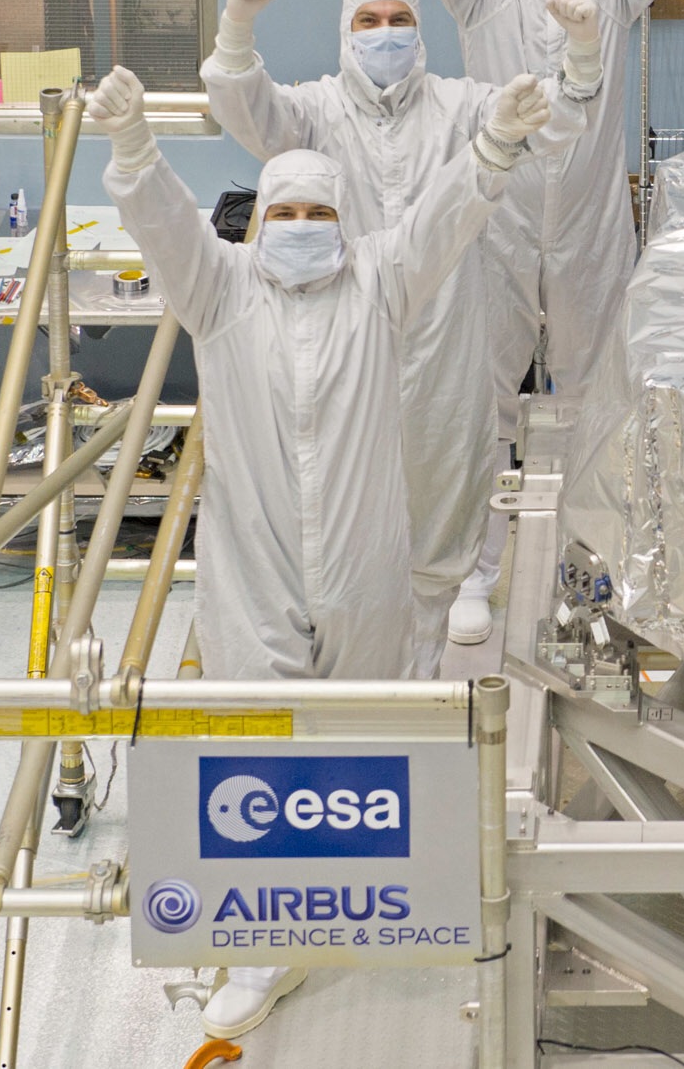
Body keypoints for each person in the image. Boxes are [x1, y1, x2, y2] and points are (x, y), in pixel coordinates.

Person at [90, 63, 554, 1034]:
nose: (299, 224)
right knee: (258, 751)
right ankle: (263, 952)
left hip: (363, 568)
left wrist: (495, 146)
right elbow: (166, 225)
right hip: (252, 577)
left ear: (341, 221)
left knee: (359, 743)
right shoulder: (220, 293)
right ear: (258, 219)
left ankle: (364, 909)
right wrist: (134, 146)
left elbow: (442, 220)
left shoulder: (378, 283)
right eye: (283, 208)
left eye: (316, 209)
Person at [374, 0, 684, 640]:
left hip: (589, 230)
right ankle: (477, 573)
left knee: (592, 403)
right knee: (484, 405)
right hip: (493, 224)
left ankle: (595, 576)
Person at [200, 0, 599, 670]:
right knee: (342, 504)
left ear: (421, 30)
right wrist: (236, 28)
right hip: (344, 341)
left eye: (398, 20)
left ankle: (447, 606)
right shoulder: (316, 111)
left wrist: (583, 54)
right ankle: (345, 656)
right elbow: (247, 111)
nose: (385, 34)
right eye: (368, 21)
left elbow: (551, 126)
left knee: (444, 474)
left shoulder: (459, 105)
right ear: (345, 33)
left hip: (443, 336)